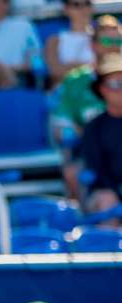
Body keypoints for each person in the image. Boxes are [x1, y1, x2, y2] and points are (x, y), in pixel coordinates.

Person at [51, 15, 122, 200]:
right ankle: (86, 216)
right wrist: (93, 133)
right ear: (93, 45)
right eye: (108, 41)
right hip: (90, 152)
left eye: (118, 41)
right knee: (73, 173)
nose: (114, 46)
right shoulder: (75, 81)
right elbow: (61, 128)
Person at [80, 53, 122, 225]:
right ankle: (109, 242)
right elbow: (95, 172)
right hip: (106, 191)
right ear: (103, 89)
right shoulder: (94, 127)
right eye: (116, 84)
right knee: (107, 200)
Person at [45, 0, 95, 87]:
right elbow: (55, 72)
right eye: (76, 5)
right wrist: (88, 66)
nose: (83, 9)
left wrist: (70, 66)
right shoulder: (54, 40)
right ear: (66, 9)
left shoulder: (101, 36)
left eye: (87, 3)